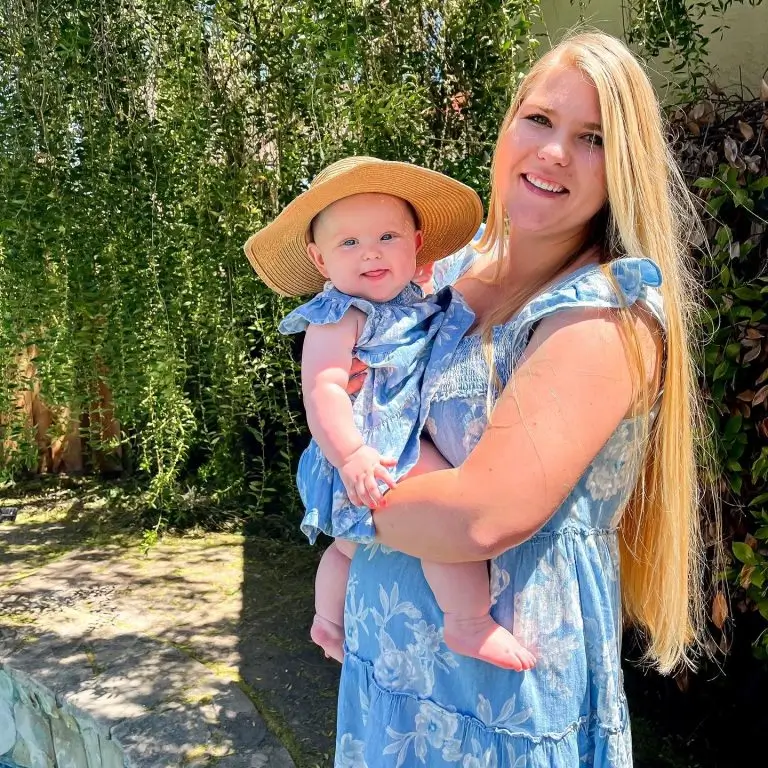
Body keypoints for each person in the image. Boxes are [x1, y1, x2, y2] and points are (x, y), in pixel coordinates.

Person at [333, 31, 709, 767]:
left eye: (592, 137)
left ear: (623, 165)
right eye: (539, 120)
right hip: (390, 652)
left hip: (499, 685)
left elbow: (479, 519)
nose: (556, 152)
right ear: (508, 128)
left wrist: (331, 481)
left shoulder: (604, 314)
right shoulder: (445, 269)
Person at [243, 156, 536, 672]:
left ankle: (326, 620)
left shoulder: (413, 299)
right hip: (372, 444)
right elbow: (324, 388)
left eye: (388, 238)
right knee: (445, 516)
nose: (370, 253)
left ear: (417, 244)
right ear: (319, 259)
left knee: (347, 549)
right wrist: (352, 455)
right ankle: (466, 621)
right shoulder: (339, 315)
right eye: (349, 243)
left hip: (392, 436)